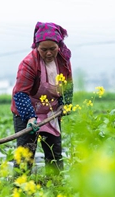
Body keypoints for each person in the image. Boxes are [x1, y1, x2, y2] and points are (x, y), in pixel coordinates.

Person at [11, 21, 73, 175]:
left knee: (54, 153)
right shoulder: (29, 63)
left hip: (51, 111)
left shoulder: (63, 60)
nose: (49, 53)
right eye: (44, 49)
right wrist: (30, 118)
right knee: (25, 155)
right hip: (26, 109)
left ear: (59, 45)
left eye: (53, 49)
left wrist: (65, 103)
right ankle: (20, 191)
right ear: (36, 47)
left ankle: (56, 187)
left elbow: (68, 84)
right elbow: (20, 93)